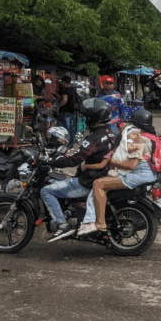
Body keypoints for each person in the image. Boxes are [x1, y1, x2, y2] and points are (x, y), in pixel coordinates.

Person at [39, 99, 116, 241]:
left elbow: (74, 159)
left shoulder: (93, 138)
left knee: (46, 191)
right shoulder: (109, 134)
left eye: (88, 116)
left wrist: (51, 161)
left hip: (88, 181)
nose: (86, 119)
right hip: (103, 176)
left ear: (95, 117)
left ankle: (62, 225)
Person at [88, 109, 158, 233]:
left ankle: (100, 223)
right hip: (147, 174)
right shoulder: (149, 137)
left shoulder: (137, 139)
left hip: (138, 175)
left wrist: (114, 162)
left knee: (98, 184)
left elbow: (132, 165)